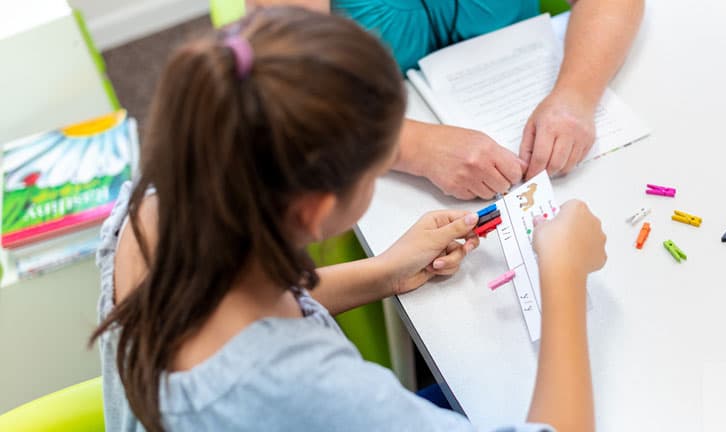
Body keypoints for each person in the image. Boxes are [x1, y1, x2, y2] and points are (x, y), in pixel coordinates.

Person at [92, 7, 607, 432]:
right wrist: (562, 276)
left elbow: (231, 310)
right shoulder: (313, 393)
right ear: (318, 210)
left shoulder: (151, 210)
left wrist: (384, 271)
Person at [248, 0, 644, 199]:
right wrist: (414, 147)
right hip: (365, 160)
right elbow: (289, 89)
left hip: (523, 106)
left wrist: (575, 94)